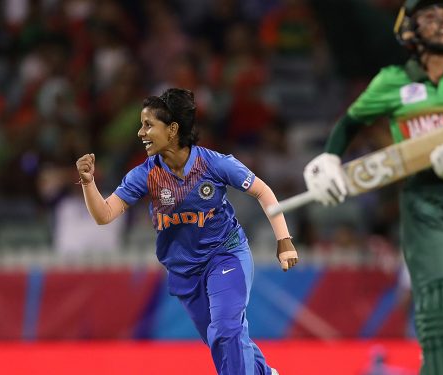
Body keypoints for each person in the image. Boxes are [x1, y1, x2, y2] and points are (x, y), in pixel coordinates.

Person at [302, 1, 443, 374]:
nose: (441, 25)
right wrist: (331, 158)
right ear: (410, 29)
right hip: (425, 200)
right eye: (430, 17)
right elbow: (350, 123)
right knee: (439, 302)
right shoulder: (393, 80)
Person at [75, 88, 297, 375]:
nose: (141, 133)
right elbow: (104, 215)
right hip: (185, 272)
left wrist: (284, 240)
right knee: (223, 340)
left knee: (227, 330)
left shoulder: (214, 163)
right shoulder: (144, 174)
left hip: (225, 255)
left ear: (172, 129)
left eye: (148, 125)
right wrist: (87, 182)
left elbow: (263, 192)